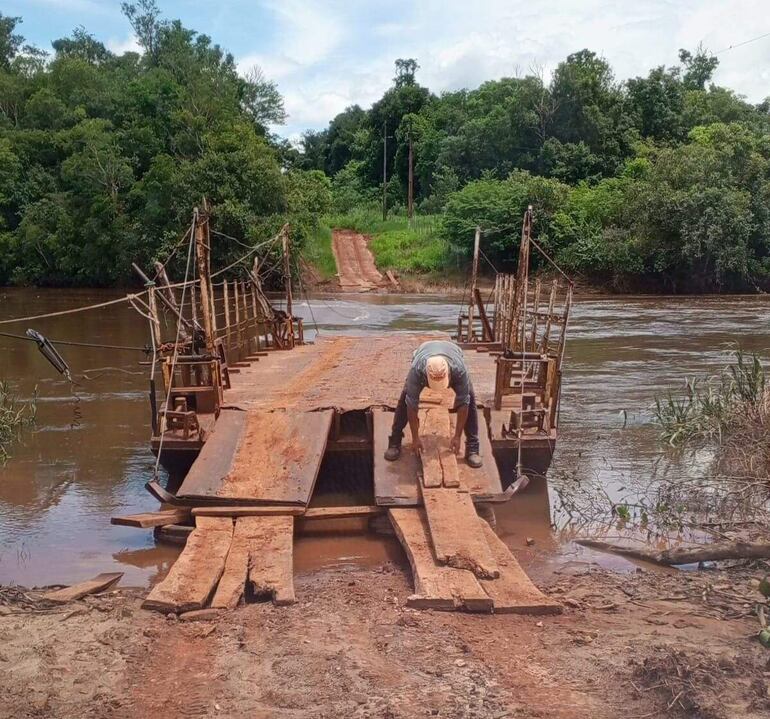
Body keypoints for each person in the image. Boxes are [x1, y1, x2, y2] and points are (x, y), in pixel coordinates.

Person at [385, 340, 482, 469]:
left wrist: (457, 436)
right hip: (424, 350)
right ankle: (395, 440)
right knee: (405, 398)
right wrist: (415, 438)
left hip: (452, 351)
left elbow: (463, 404)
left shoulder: (459, 370)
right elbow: (412, 407)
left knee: (469, 398)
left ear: (448, 373)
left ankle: (473, 446)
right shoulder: (417, 370)